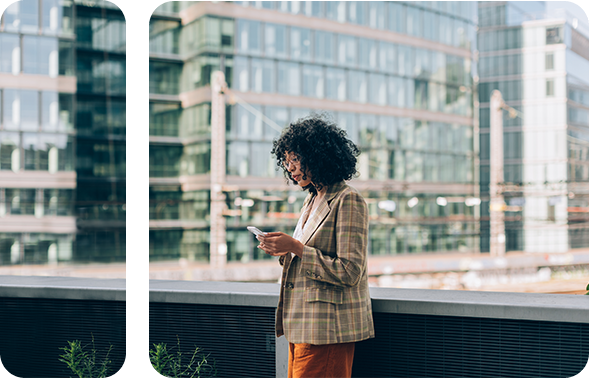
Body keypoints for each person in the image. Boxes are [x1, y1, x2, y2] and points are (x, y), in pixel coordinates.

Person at [256, 115, 375, 378]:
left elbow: (350, 271)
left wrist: (296, 248)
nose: (290, 168)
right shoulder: (312, 200)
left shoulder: (348, 199)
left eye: (296, 160)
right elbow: (306, 258)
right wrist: (283, 249)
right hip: (301, 326)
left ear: (318, 156)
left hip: (326, 331)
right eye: (287, 162)